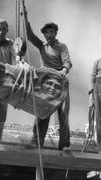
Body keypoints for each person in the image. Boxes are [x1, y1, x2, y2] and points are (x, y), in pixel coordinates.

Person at [24, 6, 72, 151]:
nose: (49, 35)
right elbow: (30, 35)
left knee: (63, 114)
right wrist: (25, 17)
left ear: (55, 33)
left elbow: (68, 61)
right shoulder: (41, 46)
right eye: (46, 32)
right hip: (46, 81)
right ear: (44, 35)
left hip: (61, 81)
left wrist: (64, 69)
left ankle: (64, 145)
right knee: (42, 111)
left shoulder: (61, 46)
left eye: (51, 32)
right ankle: (36, 142)